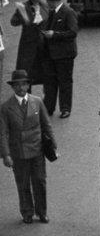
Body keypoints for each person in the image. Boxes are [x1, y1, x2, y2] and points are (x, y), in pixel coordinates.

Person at [0, 70, 55, 224]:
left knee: (40, 180)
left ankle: (42, 212)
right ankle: (27, 212)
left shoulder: (36, 101)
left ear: (28, 85)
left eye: (23, 84)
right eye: (17, 85)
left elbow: (46, 125)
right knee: (23, 184)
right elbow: (2, 133)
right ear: (13, 87)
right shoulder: (5, 108)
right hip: (19, 151)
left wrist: (53, 144)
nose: (21, 88)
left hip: (37, 148)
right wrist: (6, 154)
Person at [40, 0, 78, 119]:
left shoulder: (68, 12)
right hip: (51, 54)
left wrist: (54, 34)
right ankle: (49, 108)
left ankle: (65, 108)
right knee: (50, 82)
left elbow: (72, 32)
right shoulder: (52, 12)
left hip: (64, 54)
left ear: (52, 0)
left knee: (65, 81)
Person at [11, 0, 48, 89]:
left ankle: (47, 101)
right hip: (28, 45)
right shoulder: (23, 7)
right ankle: (26, 98)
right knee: (27, 72)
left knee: (46, 72)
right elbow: (13, 22)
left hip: (43, 44)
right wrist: (22, 19)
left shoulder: (45, 5)